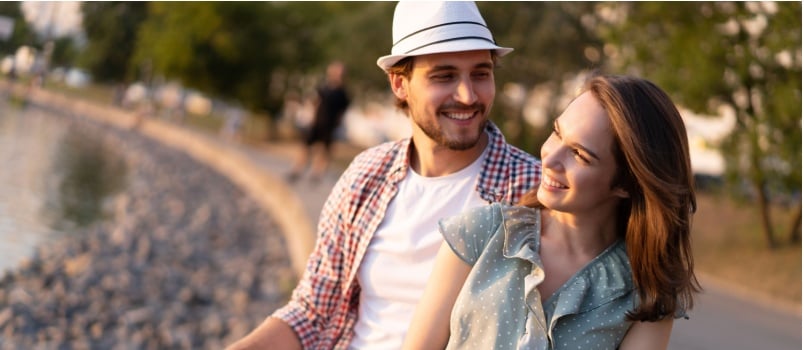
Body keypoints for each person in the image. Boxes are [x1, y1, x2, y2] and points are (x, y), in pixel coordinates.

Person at [225, 2, 541, 349]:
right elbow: (312, 312)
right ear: (399, 84)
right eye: (444, 76)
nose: (467, 95)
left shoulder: (533, 192)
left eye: (481, 73)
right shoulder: (367, 175)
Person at [402, 74, 701, 350]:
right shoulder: (480, 232)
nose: (550, 157)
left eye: (579, 154)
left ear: (626, 183)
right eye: (557, 133)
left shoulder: (646, 297)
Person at [288, 61, 351, 182]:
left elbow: (342, 112)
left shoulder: (343, 93)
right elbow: (315, 103)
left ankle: (317, 174)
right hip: (316, 123)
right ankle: (296, 170)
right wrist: (310, 118)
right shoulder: (323, 88)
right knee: (305, 147)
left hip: (330, 125)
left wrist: (337, 125)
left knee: (324, 151)